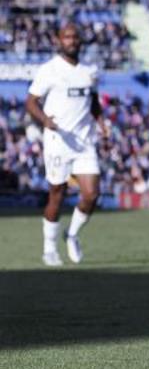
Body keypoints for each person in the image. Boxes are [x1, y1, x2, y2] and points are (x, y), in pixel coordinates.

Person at [26, 22, 107, 266]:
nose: (71, 41)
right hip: (57, 140)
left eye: (75, 37)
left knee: (92, 194)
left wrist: (102, 123)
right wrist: (45, 120)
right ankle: (49, 249)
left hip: (84, 141)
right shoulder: (49, 70)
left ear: (80, 41)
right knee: (57, 194)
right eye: (67, 37)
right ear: (58, 41)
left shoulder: (89, 71)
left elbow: (93, 102)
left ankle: (71, 234)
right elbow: (31, 103)